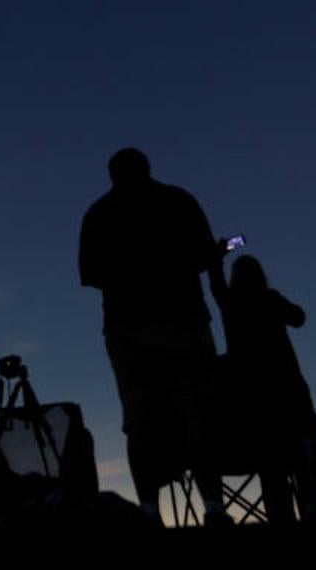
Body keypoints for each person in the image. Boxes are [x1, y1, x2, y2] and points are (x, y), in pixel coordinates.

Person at [78, 148, 227, 523]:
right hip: (183, 320)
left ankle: (148, 511)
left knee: (140, 420)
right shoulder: (178, 200)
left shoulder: (98, 214)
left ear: (112, 175)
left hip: (126, 329)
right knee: (197, 412)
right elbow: (205, 255)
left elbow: (91, 275)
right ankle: (213, 506)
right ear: (147, 168)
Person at [212, 253, 316, 522]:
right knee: (299, 454)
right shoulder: (271, 299)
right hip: (288, 386)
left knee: (270, 460)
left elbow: (216, 286)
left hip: (254, 393)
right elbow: (299, 318)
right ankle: (311, 507)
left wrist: (216, 259)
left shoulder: (231, 303)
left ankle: (281, 515)